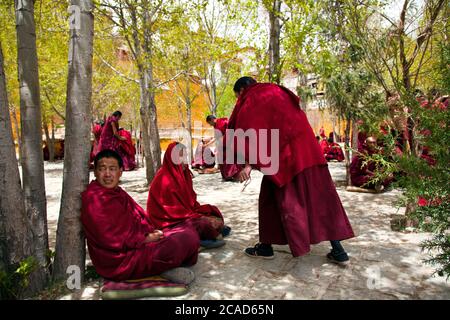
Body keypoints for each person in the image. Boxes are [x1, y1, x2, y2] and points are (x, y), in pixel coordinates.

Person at [222, 76, 355, 265]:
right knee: (321, 199)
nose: (238, 102)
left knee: (271, 202)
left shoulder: (251, 99)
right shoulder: (276, 90)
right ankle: (339, 251)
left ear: (242, 90)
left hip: (284, 160)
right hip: (309, 152)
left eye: (238, 97)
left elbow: (247, 130)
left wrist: (246, 164)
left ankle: (267, 247)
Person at [81, 149, 200, 283]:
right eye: (102, 169)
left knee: (188, 231)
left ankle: (163, 266)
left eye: (112, 169)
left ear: (120, 172)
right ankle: (162, 268)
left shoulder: (117, 192)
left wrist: (150, 233)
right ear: (95, 172)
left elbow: (138, 217)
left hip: (135, 246)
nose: (107, 174)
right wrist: (145, 239)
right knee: (184, 239)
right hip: (119, 260)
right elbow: (109, 238)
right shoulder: (94, 198)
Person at [147, 142, 230, 246]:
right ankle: (202, 239)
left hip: (186, 213)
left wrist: (200, 214)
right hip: (169, 221)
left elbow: (190, 202)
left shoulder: (184, 174)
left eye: (185, 155)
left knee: (212, 210)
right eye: (180, 156)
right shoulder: (164, 178)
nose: (184, 159)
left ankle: (207, 234)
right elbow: (173, 212)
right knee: (203, 224)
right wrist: (200, 217)